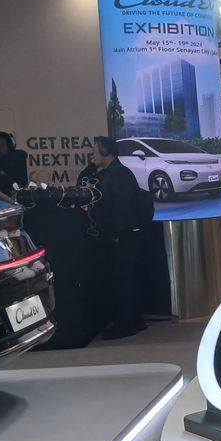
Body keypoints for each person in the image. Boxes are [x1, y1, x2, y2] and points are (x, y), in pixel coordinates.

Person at [77, 136, 146, 340]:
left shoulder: (118, 175)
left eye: (95, 152)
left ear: (106, 153)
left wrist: (115, 234)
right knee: (126, 279)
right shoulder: (113, 173)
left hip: (121, 236)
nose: (92, 156)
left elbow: (122, 209)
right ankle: (134, 320)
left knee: (121, 281)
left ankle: (125, 324)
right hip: (123, 235)